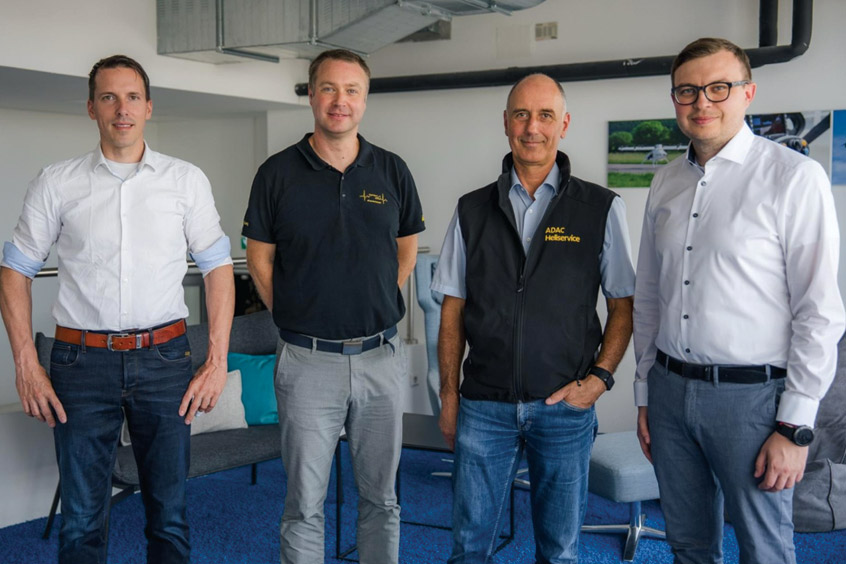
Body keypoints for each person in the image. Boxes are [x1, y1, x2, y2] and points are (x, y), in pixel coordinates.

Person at [0, 55, 235, 563]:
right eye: (108, 97)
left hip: (165, 360)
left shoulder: (185, 180)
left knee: (169, 515)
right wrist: (26, 363)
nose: (121, 109)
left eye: (132, 97)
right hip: (80, 364)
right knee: (81, 521)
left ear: (148, 107)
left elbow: (218, 268)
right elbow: (15, 269)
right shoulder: (56, 182)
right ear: (92, 108)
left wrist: (217, 360)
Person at [633, 37, 845, 564]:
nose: (701, 101)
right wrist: (644, 392)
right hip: (668, 391)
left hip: (752, 403)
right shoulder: (665, 182)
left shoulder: (794, 177)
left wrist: (794, 427)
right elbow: (650, 297)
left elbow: (819, 312)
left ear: (748, 93)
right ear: (675, 99)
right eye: (687, 90)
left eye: (718, 87)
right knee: (688, 545)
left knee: (764, 550)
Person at [433, 73, 635, 564]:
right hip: (484, 406)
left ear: (563, 124)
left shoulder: (601, 208)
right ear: (506, 123)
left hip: (564, 407)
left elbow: (623, 305)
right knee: (468, 547)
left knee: (560, 551)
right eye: (521, 115)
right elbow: (452, 309)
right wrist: (449, 395)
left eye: (545, 115)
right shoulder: (471, 209)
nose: (532, 127)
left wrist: (600, 379)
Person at [242, 49, 425, 564]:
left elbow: (407, 248)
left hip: (381, 358)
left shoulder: (392, 170)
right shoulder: (276, 173)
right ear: (311, 95)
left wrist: (377, 298)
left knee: (382, 499)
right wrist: (297, 313)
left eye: (351, 90)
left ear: (364, 99)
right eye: (328, 88)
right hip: (307, 362)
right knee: (304, 504)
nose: (339, 101)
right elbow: (259, 260)